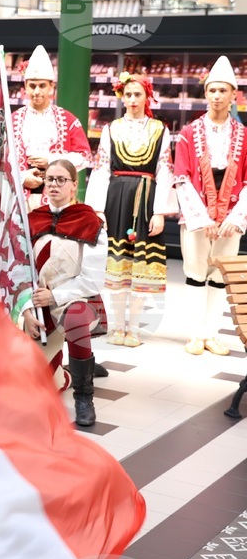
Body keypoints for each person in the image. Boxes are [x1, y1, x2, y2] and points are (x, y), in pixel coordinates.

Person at [86, 73, 175, 349]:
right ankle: (116, 326)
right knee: (117, 264)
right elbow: (101, 168)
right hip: (116, 199)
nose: (133, 99)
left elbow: (165, 170)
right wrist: (97, 208)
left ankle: (133, 329)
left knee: (140, 265)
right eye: (128, 95)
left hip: (146, 200)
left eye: (138, 94)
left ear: (147, 97)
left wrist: (159, 211)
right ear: (121, 97)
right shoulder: (111, 129)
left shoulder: (160, 129)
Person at [22, 160, 108, 427]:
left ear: (74, 185)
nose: (54, 185)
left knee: (75, 318)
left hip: (75, 299)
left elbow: (93, 280)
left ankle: (84, 396)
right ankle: (69, 372)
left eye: (61, 180)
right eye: (49, 179)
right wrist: (26, 310)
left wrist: (55, 296)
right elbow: (19, 271)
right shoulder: (32, 219)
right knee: (32, 386)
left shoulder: (89, 220)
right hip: (37, 304)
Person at [173, 55, 247, 356]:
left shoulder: (245, 136)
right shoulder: (188, 133)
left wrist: (237, 216)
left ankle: (212, 333)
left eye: (223, 90)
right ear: (205, 93)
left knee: (220, 275)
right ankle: (195, 334)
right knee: (195, 271)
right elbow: (181, 178)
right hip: (196, 216)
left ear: (234, 95)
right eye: (212, 90)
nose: (217, 96)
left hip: (231, 217)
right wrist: (201, 218)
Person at [11, 45, 93, 210]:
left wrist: (51, 160)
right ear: (25, 86)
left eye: (42, 86)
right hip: (19, 198)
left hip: (57, 200)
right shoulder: (12, 120)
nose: (37, 91)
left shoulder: (68, 119)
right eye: (32, 86)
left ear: (51, 86)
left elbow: (85, 157)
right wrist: (21, 178)